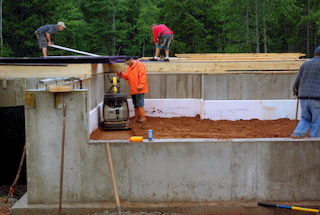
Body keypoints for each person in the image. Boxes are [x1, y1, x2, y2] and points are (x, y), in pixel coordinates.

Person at [291, 46, 320, 138]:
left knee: (305, 118)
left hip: (304, 97)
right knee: (317, 121)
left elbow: (297, 81)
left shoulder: (305, 64)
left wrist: (296, 91)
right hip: (317, 98)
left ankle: (298, 133)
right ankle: (315, 140)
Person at [117, 57, 149, 123]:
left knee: (140, 103)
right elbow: (127, 77)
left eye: (128, 63)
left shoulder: (139, 65)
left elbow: (142, 76)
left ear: (131, 60)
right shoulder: (129, 68)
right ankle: (137, 116)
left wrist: (141, 85)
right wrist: (121, 74)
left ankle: (143, 117)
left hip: (139, 88)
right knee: (135, 103)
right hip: (133, 89)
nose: (127, 64)